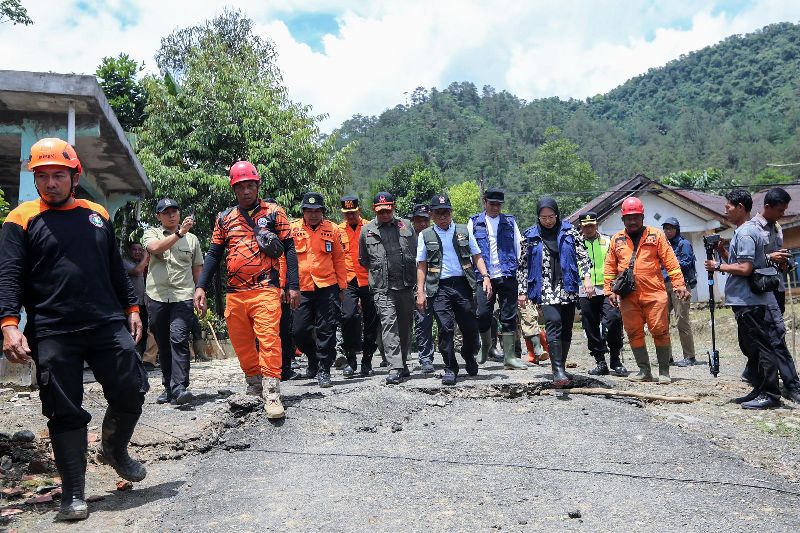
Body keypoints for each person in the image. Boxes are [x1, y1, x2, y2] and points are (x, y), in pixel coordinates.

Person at [0, 138, 148, 521]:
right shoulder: (20, 219)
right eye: (43, 176)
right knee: (64, 411)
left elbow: (114, 266)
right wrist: (9, 324)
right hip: (53, 331)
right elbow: (9, 275)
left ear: (74, 176)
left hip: (105, 323)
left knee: (131, 388)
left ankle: (115, 449)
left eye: (58, 175)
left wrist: (131, 305)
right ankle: (74, 494)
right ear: (35, 180)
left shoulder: (96, 213)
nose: (51, 183)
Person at [194, 161, 298, 419]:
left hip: (265, 287)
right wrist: (201, 287)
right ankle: (254, 385)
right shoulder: (224, 218)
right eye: (241, 186)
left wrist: (293, 286)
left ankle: (272, 391)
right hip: (235, 292)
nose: (246, 191)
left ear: (257, 185)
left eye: (250, 185)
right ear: (234, 189)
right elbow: (214, 253)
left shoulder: (274, 212)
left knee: (268, 339)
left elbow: (290, 249)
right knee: (241, 343)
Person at [704, 189, 783, 409]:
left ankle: (770, 394)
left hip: (750, 302)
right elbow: (739, 264)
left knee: (761, 347)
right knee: (750, 348)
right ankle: (759, 389)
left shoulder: (746, 233)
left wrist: (717, 266)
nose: (725, 211)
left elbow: (746, 268)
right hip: (743, 301)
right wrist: (723, 252)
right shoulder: (742, 231)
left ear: (740, 207)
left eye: (728, 206)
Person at [604, 197, 690, 384]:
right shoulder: (616, 239)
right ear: (623, 219)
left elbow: (671, 262)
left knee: (659, 330)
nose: (632, 221)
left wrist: (679, 284)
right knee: (633, 332)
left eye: (635, 217)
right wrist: (609, 291)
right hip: (628, 295)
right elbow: (610, 267)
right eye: (628, 218)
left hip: (654, 292)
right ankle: (644, 371)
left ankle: (664, 371)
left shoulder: (657, 235)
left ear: (642, 216)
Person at [416, 193, 493, 385]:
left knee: (470, 327)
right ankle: (450, 367)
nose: (443, 216)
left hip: (463, 285)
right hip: (438, 287)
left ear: (451, 213)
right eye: (438, 213)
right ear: (432, 215)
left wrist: (485, 276)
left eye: (446, 212)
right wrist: (421, 292)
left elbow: (477, 256)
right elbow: (422, 265)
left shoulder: (463, 231)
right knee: (445, 327)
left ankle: (468, 355)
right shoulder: (425, 235)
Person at [518, 197, 592, 386]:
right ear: (538, 217)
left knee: (567, 326)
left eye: (551, 216)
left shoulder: (569, 231)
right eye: (544, 217)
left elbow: (582, 255)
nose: (548, 220)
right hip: (545, 286)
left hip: (567, 284)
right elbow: (523, 266)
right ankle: (557, 369)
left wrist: (587, 278)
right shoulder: (530, 235)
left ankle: (561, 366)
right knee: (554, 322)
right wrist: (522, 291)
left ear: (557, 215)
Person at [141, 199, 203, 406]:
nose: (171, 215)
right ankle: (168, 387)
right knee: (163, 343)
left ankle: (179, 387)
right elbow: (156, 249)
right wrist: (179, 234)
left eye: (174, 211)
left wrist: (199, 292)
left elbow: (197, 269)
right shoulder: (151, 233)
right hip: (157, 295)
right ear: (158, 216)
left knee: (178, 339)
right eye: (165, 212)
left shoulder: (193, 239)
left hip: (183, 296)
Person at [290, 192, 348, 388]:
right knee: (299, 331)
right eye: (309, 211)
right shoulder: (293, 229)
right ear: (303, 212)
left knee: (326, 329)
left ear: (323, 211)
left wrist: (342, 287)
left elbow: (339, 260)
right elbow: (284, 259)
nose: (313, 214)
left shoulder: (332, 229)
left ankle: (324, 369)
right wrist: (286, 285)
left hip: (327, 286)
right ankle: (313, 357)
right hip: (301, 287)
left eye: (317, 211)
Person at [358, 192, 418, 384]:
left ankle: (402, 363)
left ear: (394, 207)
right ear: (375, 210)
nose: (385, 214)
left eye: (388, 210)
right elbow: (363, 259)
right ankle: (395, 367)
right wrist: (378, 272)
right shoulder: (367, 231)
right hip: (382, 287)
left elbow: (417, 253)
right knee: (388, 324)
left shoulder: (406, 226)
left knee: (404, 326)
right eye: (381, 211)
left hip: (406, 285)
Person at [748, 188, 800, 402]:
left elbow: (776, 261)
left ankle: (752, 373)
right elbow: (748, 263)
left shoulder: (777, 228)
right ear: (767, 207)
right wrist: (770, 257)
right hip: (761, 291)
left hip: (776, 287)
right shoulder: (751, 230)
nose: (782, 214)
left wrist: (785, 263)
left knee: (768, 335)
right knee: (776, 337)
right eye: (780, 210)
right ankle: (792, 385)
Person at [468, 188, 526, 370]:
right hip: (484, 276)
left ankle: (509, 357)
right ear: (484, 202)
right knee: (482, 313)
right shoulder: (474, 222)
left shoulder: (510, 221)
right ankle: (486, 346)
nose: (495, 207)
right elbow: (470, 250)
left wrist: (519, 275)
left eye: (498, 204)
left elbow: (519, 247)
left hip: (507, 273)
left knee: (508, 315)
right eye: (492, 203)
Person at [577, 212, 626, 376]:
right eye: (585, 226)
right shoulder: (576, 244)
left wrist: (616, 285)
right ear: (581, 227)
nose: (589, 229)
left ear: (596, 225)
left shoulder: (608, 241)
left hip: (607, 289)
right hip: (586, 289)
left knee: (613, 320)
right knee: (590, 326)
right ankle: (600, 361)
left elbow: (618, 262)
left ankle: (615, 359)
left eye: (591, 225)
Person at [338, 195, 379, 377]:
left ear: (359, 211)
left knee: (371, 321)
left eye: (353, 213)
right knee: (347, 317)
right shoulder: (337, 230)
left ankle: (367, 361)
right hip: (348, 280)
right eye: (347, 214)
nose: (350, 216)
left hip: (369, 279)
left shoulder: (371, 227)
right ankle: (351, 359)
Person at [661, 217, 698, 367]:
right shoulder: (663, 245)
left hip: (680, 285)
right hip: (664, 285)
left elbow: (686, 263)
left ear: (677, 229)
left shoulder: (684, 244)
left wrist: (669, 262)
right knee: (662, 322)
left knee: (681, 320)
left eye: (670, 228)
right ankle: (666, 357)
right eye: (666, 228)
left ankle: (689, 357)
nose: (667, 231)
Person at [410, 204, 435, 373]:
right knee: (422, 322)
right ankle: (425, 358)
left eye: (425, 220)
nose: (422, 224)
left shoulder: (435, 235)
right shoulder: (406, 237)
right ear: (413, 221)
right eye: (419, 220)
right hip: (413, 286)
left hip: (435, 284)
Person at [123, 242, 150, 362]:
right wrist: (146, 256)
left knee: (143, 330)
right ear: (129, 251)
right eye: (135, 249)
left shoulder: (142, 264)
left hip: (143, 302)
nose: (138, 252)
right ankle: (130, 358)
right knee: (131, 330)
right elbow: (137, 271)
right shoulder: (125, 262)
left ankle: (141, 357)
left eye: (140, 250)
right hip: (131, 304)